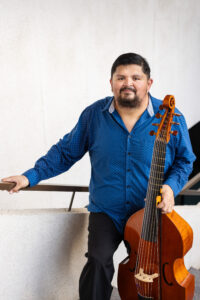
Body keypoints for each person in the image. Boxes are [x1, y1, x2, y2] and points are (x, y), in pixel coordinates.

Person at [2, 53, 196, 300]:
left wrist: (170, 187)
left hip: (150, 212)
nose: (128, 82)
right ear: (111, 82)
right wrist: (30, 176)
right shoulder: (94, 115)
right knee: (97, 261)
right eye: (121, 77)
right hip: (107, 211)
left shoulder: (172, 117)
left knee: (153, 271)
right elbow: (65, 153)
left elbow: (185, 161)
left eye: (136, 77)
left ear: (149, 83)